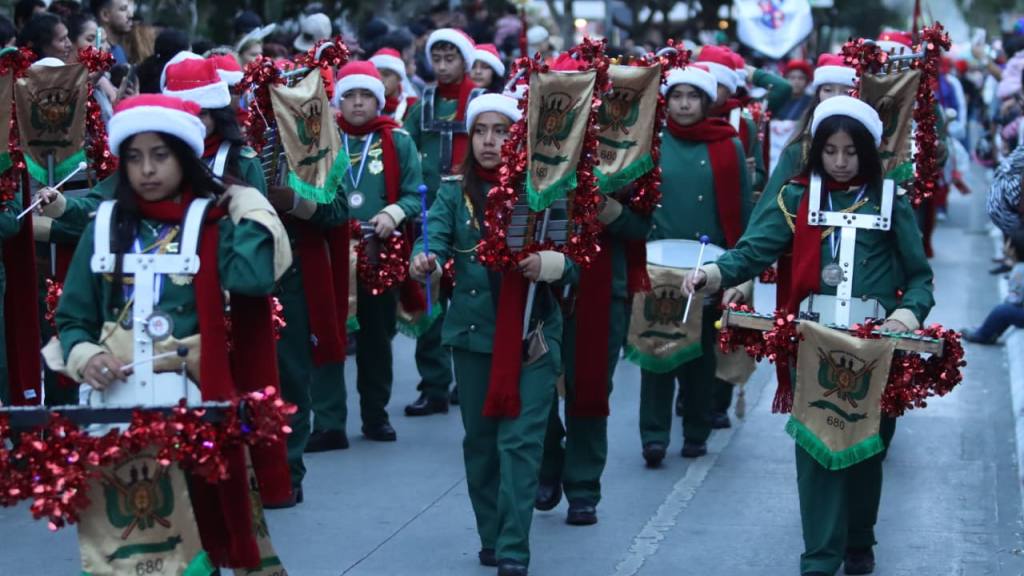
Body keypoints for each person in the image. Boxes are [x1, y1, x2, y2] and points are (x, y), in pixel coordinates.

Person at [685, 96, 934, 576]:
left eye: (851, 152)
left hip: (875, 345)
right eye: (830, 151)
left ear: (868, 151)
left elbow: (920, 276)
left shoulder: (891, 200)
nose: (840, 162)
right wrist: (713, 274)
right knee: (817, 450)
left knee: (867, 447)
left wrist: (907, 314)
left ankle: (859, 536)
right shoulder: (796, 198)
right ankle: (818, 559)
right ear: (816, 150)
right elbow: (754, 251)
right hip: (813, 341)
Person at [55, 92, 293, 572]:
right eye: (135, 157)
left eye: (160, 155)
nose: (146, 170)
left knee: (206, 533)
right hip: (118, 411)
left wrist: (249, 205)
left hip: (197, 408)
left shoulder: (212, 221)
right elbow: (71, 318)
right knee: (133, 545)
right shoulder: (103, 226)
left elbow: (252, 279)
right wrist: (85, 356)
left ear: (184, 157)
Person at [410, 93, 571, 576]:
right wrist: (426, 259)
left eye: (500, 131)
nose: (488, 141)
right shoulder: (452, 191)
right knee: (481, 443)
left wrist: (552, 263)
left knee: (519, 443)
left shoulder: (543, 189)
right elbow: (432, 237)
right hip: (474, 333)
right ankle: (491, 536)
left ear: (517, 136)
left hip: (533, 334)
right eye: (480, 131)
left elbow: (579, 257)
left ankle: (513, 549)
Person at [536, 111, 653, 523]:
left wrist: (610, 211)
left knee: (589, 388)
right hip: (541, 288)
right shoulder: (537, 149)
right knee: (538, 386)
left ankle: (583, 486)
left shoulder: (627, 157)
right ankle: (547, 464)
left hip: (603, 293)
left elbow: (645, 226)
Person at [637, 64, 752, 465]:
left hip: (707, 263)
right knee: (655, 347)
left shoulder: (727, 144)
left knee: (701, 353)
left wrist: (739, 266)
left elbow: (740, 208)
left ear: (707, 101)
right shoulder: (651, 141)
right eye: (678, 96)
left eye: (693, 96)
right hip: (656, 261)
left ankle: (696, 429)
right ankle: (653, 434)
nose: (684, 104)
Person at [307, 61, 424, 444]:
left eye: (366, 96)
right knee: (327, 333)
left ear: (379, 99)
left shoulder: (397, 140)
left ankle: (375, 415)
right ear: (339, 100)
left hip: (379, 249)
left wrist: (394, 212)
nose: (358, 103)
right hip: (331, 250)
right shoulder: (323, 139)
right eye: (350, 95)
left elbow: (413, 194)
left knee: (377, 337)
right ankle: (328, 422)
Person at [403, 27, 482, 415]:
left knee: (470, 297)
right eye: (438, 59)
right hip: (430, 209)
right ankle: (433, 383)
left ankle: (468, 378)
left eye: (451, 59)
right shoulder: (425, 103)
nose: (444, 66)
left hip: (472, 212)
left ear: (465, 61)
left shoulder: (481, 101)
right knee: (429, 299)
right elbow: (406, 148)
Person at [763, 53, 857, 206]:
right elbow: (769, 208)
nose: (836, 98)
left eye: (846, 91)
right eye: (828, 90)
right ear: (818, 94)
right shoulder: (797, 150)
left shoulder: (875, 148)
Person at [963, 229, 1024, 343]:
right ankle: (989, 330)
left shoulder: (1019, 271)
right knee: (1005, 311)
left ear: (1014, 249)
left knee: (1002, 311)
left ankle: (983, 335)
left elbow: (1015, 299)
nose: (1004, 247)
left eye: (1007, 243)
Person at [370, 47, 419, 123]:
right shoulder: (367, 106)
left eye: (386, 74)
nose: (380, 80)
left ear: (399, 78)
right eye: (376, 75)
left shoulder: (413, 107)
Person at [89, 0, 133, 64]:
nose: (130, 15)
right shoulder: (93, 52)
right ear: (105, 15)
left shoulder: (119, 50)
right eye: (123, 9)